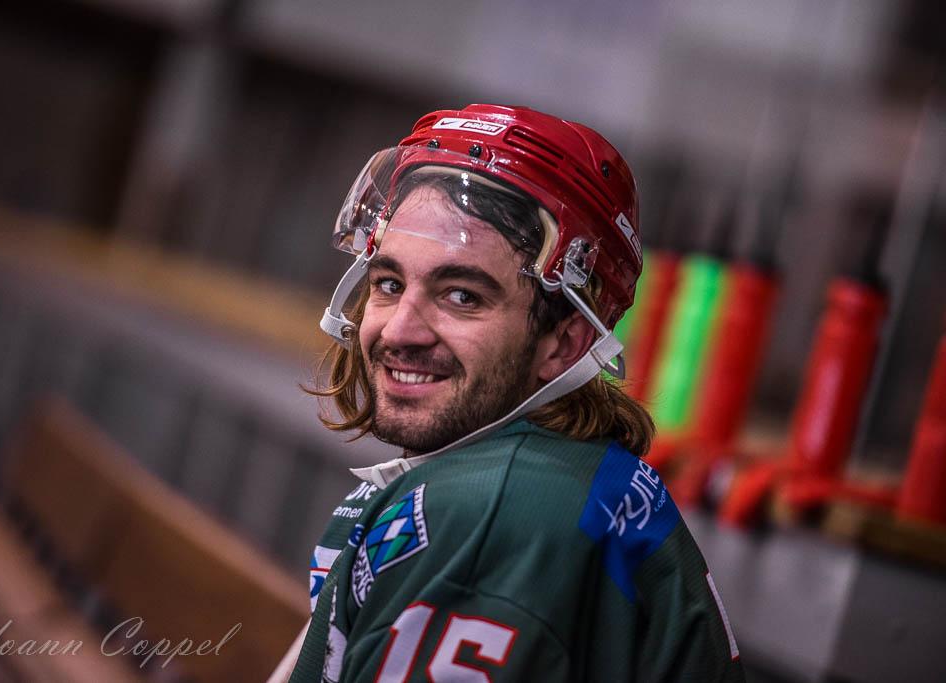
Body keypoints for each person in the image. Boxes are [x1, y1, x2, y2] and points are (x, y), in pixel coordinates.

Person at [273, 104, 744, 682]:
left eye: (462, 296)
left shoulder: (485, 516)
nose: (399, 331)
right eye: (389, 284)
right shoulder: (541, 477)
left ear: (563, 343)